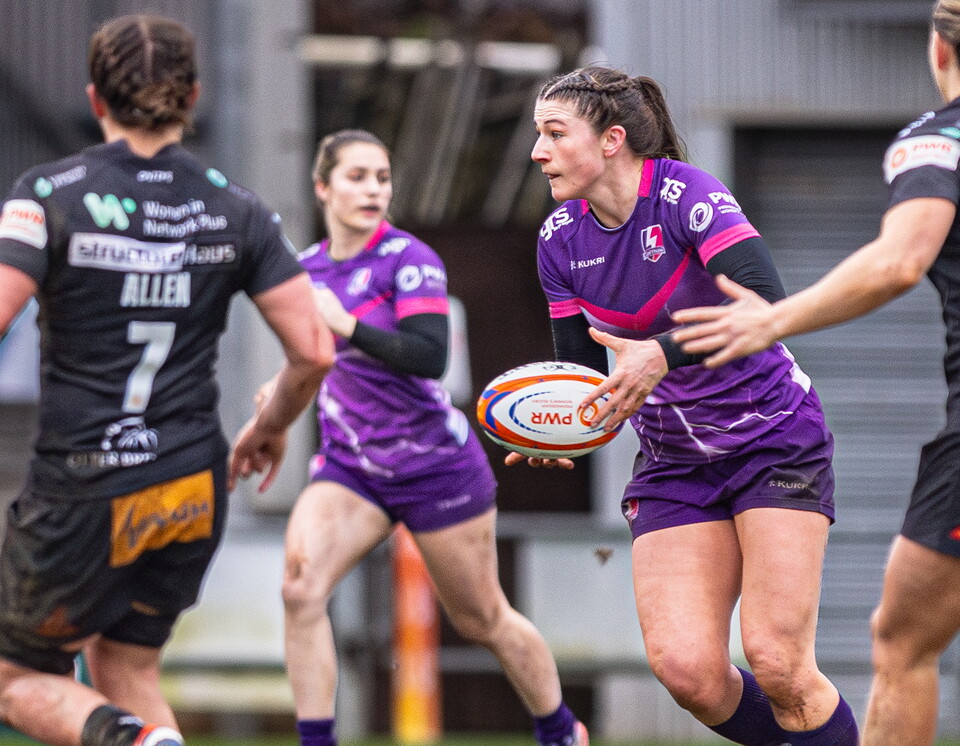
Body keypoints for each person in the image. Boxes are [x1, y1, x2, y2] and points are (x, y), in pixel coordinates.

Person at [0, 15, 332, 746]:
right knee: (126, 665)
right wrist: (269, 426)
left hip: (85, 482)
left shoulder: (45, 194)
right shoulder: (239, 209)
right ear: (193, 97)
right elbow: (313, 350)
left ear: (95, 98)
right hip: (189, 482)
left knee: (16, 677)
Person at [516, 65, 860, 745]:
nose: (537, 151)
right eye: (538, 135)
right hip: (675, 462)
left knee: (777, 662)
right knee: (688, 672)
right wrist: (557, 427)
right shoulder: (559, 238)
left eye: (554, 133)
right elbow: (581, 373)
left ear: (611, 140)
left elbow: (765, 302)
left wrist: (661, 354)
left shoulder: (686, 195)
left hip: (772, 439)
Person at [669, 3, 960, 743]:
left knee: (903, 641)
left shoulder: (938, 141)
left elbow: (899, 261)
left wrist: (773, 320)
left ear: (939, 48)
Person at [252, 128, 587, 746]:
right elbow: (311, 360)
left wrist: (346, 323)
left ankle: (561, 730)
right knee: (300, 588)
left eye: (382, 178)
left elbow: (430, 357)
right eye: (357, 177)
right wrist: (273, 400)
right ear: (322, 188)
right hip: (353, 469)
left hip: (436, 467)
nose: (373, 190)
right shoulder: (306, 271)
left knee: (482, 618)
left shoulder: (410, 260)